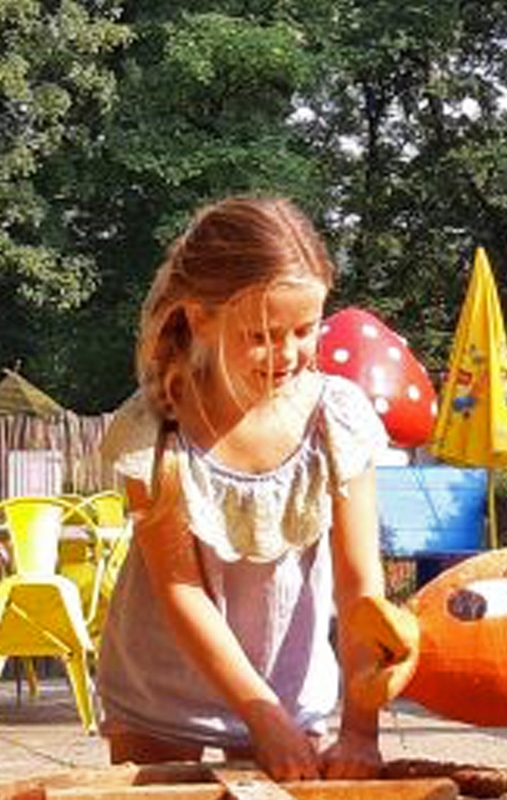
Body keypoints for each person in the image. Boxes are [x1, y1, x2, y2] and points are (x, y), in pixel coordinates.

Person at [97, 196, 388, 780]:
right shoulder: (156, 428)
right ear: (199, 316)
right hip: (159, 694)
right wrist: (261, 718)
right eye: (261, 334)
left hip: (289, 686)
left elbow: (360, 589)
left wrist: (361, 727)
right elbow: (182, 591)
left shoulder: (336, 420)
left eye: (304, 330)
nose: (287, 355)